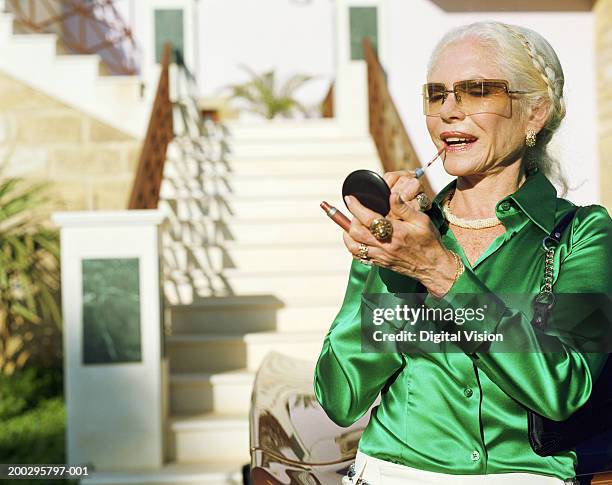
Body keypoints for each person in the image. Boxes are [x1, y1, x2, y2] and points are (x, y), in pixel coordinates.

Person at [313, 20, 612, 485]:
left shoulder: (583, 232)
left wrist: (443, 274)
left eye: (475, 91)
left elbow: (563, 389)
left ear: (535, 114)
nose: (448, 111)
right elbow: (340, 397)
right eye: (436, 95)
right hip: (390, 473)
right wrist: (378, 260)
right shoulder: (412, 235)